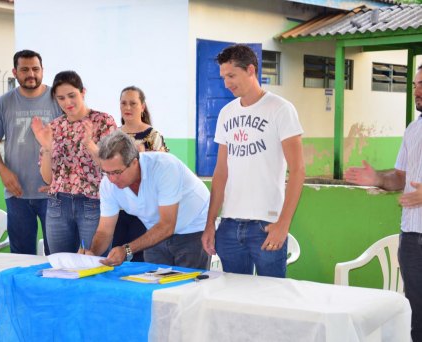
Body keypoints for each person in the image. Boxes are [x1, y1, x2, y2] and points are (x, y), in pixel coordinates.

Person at [201, 44, 305, 277]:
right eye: (223, 77)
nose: (226, 83)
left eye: (231, 75)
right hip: (228, 225)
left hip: (266, 225)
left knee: (271, 300)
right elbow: (220, 173)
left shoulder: (280, 109)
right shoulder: (227, 113)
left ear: (250, 70)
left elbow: (298, 171)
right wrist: (210, 224)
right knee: (235, 302)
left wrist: (283, 225)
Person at [344, 64, 422, 342]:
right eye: (414, 84)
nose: (417, 91)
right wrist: (377, 177)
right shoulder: (414, 129)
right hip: (413, 240)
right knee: (416, 317)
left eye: (421, 84)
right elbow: (401, 177)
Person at [89, 130, 210, 269]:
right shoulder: (107, 184)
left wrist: (126, 250)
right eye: (106, 172)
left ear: (134, 162)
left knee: (189, 287)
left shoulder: (164, 167)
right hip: (155, 231)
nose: (111, 179)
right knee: (155, 286)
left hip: (193, 228)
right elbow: (104, 231)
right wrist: (92, 253)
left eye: (117, 172)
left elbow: (167, 226)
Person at [0, 50, 61, 255]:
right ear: (14, 72)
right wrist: (3, 171)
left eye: (35, 69)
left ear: (43, 70)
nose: (31, 74)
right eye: (24, 69)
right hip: (17, 195)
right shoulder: (4, 102)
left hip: (54, 195)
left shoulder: (57, 99)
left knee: (58, 257)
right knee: (20, 258)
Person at [31, 70, 116, 254]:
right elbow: (47, 179)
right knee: (60, 266)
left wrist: (90, 144)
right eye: (61, 98)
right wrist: (47, 148)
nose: (67, 103)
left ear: (83, 92)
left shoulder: (103, 121)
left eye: (72, 96)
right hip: (57, 204)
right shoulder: (54, 127)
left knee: (95, 263)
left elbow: (111, 167)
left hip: (92, 203)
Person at [112, 86, 169, 261]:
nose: (127, 108)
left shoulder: (153, 136)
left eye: (133, 103)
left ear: (142, 107)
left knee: (141, 260)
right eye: (124, 103)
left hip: (145, 210)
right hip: (120, 208)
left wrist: (142, 155)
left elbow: (159, 171)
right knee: (115, 258)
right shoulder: (113, 135)